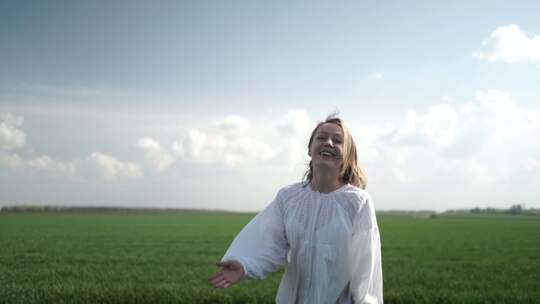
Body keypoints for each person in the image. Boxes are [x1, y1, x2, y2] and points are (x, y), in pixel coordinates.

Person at [208, 115, 383, 304]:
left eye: (338, 141)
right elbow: (268, 242)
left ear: (347, 154)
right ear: (310, 149)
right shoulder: (288, 197)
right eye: (321, 138)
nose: (329, 143)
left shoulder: (358, 202)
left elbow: (366, 271)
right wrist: (243, 265)